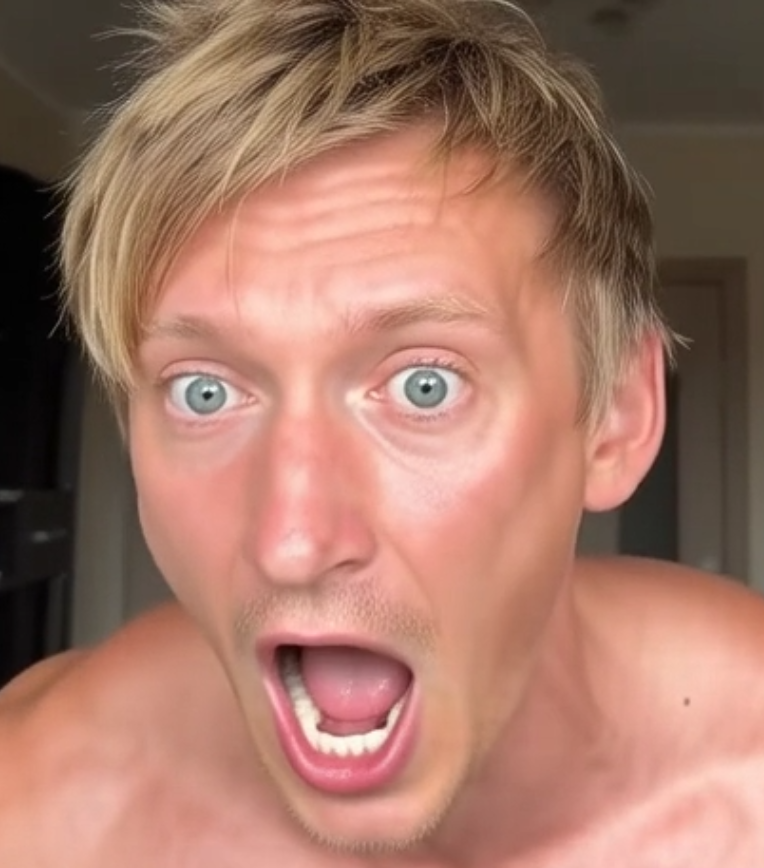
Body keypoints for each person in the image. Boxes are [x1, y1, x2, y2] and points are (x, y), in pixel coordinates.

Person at [2, 0, 764, 864]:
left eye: (423, 385)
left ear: (617, 417)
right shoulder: (46, 800)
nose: (291, 542)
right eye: (204, 393)